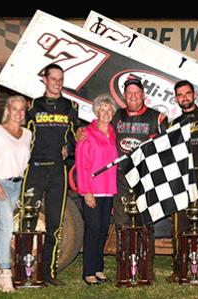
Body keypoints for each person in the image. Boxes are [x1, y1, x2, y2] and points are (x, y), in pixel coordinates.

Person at [20, 63, 79, 287]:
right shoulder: (32, 106)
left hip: (57, 171)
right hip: (34, 170)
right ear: (44, 79)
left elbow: (75, 138)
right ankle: (24, 270)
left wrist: (69, 148)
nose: (57, 82)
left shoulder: (71, 106)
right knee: (28, 221)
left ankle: (48, 272)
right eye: (53, 78)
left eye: (60, 79)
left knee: (55, 224)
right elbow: (21, 135)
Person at [111, 77, 168, 281]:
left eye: (137, 93)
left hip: (146, 179)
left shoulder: (158, 118)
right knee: (122, 225)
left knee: (146, 225)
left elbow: (166, 150)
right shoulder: (115, 117)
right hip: (122, 180)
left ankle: (145, 267)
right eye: (129, 94)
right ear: (124, 96)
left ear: (143, 95)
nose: (133, 97)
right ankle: (124, 267)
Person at [0, 95, 32, 293]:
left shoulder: (27, 134)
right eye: (15, 109)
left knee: (2, 226)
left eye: (22, 110)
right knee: (9, 225)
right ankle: (5, 273)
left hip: (17, 185)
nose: (18, 113)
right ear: (8, 110)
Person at [168, 80, 198, 282]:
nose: (184, 98)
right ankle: (179, 269)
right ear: (176, 98)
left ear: (194, 95)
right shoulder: (173, 124)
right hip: (182, 185)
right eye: (180, 95)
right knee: (179, 228)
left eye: (187, 94)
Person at [75, 95, 118, 285]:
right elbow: (81, 164)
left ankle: (98, 267)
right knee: (92, 230)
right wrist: (86, 191)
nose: (106, 113)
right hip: (93, 190)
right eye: (103, 109)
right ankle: (88, 271)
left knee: (102, 230)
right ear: (96, 112)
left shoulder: (114, 133)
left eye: (109, 110)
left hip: (109, 190)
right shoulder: (87, 133)